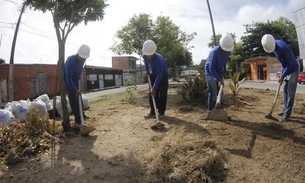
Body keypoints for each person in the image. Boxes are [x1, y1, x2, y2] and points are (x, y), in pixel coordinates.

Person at [261, 34, 299, 122]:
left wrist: (282, 76)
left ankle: (287, 114)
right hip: (286, 69)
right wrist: (282, 74)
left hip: (293, 69)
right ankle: (285, 110)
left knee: (290, 93)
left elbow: (289, 64)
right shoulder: (274, 45)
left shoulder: (283, 49)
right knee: (285, 91)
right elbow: (283, 62)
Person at [205, 34, 234, 113]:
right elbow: (211, 67)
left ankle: (220, 111)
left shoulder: (228, 51)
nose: (226, 51)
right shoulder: (214, 52)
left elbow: (224, 62)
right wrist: (218, 79)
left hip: (218, 71)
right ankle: (210, 111)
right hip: (210, 72)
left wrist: (223, 71)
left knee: (220, 93)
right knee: (213, 93)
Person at [64, 44, 90, 127]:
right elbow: (68, 77)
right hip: (69, 82)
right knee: (73, 101)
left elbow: (80, 68)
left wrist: (79, 74)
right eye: (82, 58)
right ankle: (78, 120)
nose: (83, 60)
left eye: (84, 58)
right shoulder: (70, 60)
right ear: (78, 53)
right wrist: (74, 90)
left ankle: (82, 114)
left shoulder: (82, 60)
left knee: (79, 99)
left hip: (75, 80)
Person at [142, 40, 169, 118]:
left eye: (150, 55)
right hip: (153, 75)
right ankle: (153, 112)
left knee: (162, 94)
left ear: (154, 52)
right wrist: (147, 70)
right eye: (147, 55)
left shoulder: (159, 59)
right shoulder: (144, 55)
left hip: (162, 76)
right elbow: (146, 63)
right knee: (152, 94)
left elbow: (159, 75)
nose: (148, 56)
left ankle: (161, 112)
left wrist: (154, 87)